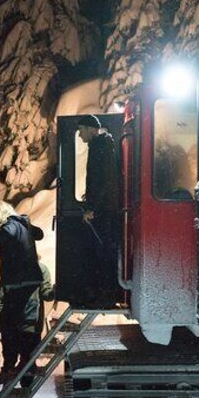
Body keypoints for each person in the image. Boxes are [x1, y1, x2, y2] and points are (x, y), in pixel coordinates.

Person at [0, 201, 44, 386]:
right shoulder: (24, 224)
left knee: (11, 325)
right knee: (16, 325)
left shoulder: (10, 224)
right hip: (29, 281)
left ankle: (15, 366)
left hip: (19, 283)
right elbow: (39, 234)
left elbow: (8, 233)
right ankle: (18, 365)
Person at [0, 257, 55, 398]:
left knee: (10, 362)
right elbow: (47, 294)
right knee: (28, 365)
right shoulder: (41, 269)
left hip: (10, 325)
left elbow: (0, 298)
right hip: (30, 326)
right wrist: (56, 291)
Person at [77, 114, 121, 305]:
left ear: (91, 129)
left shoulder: (101, 148)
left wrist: (93, 208)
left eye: (81, 130)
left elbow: (105, 181)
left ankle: (103, 296)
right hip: (104, 208)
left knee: (101, 253)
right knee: (101, 252)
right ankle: (102, 295)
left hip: (104, 211)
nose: (79, 135)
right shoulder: (101, 146)